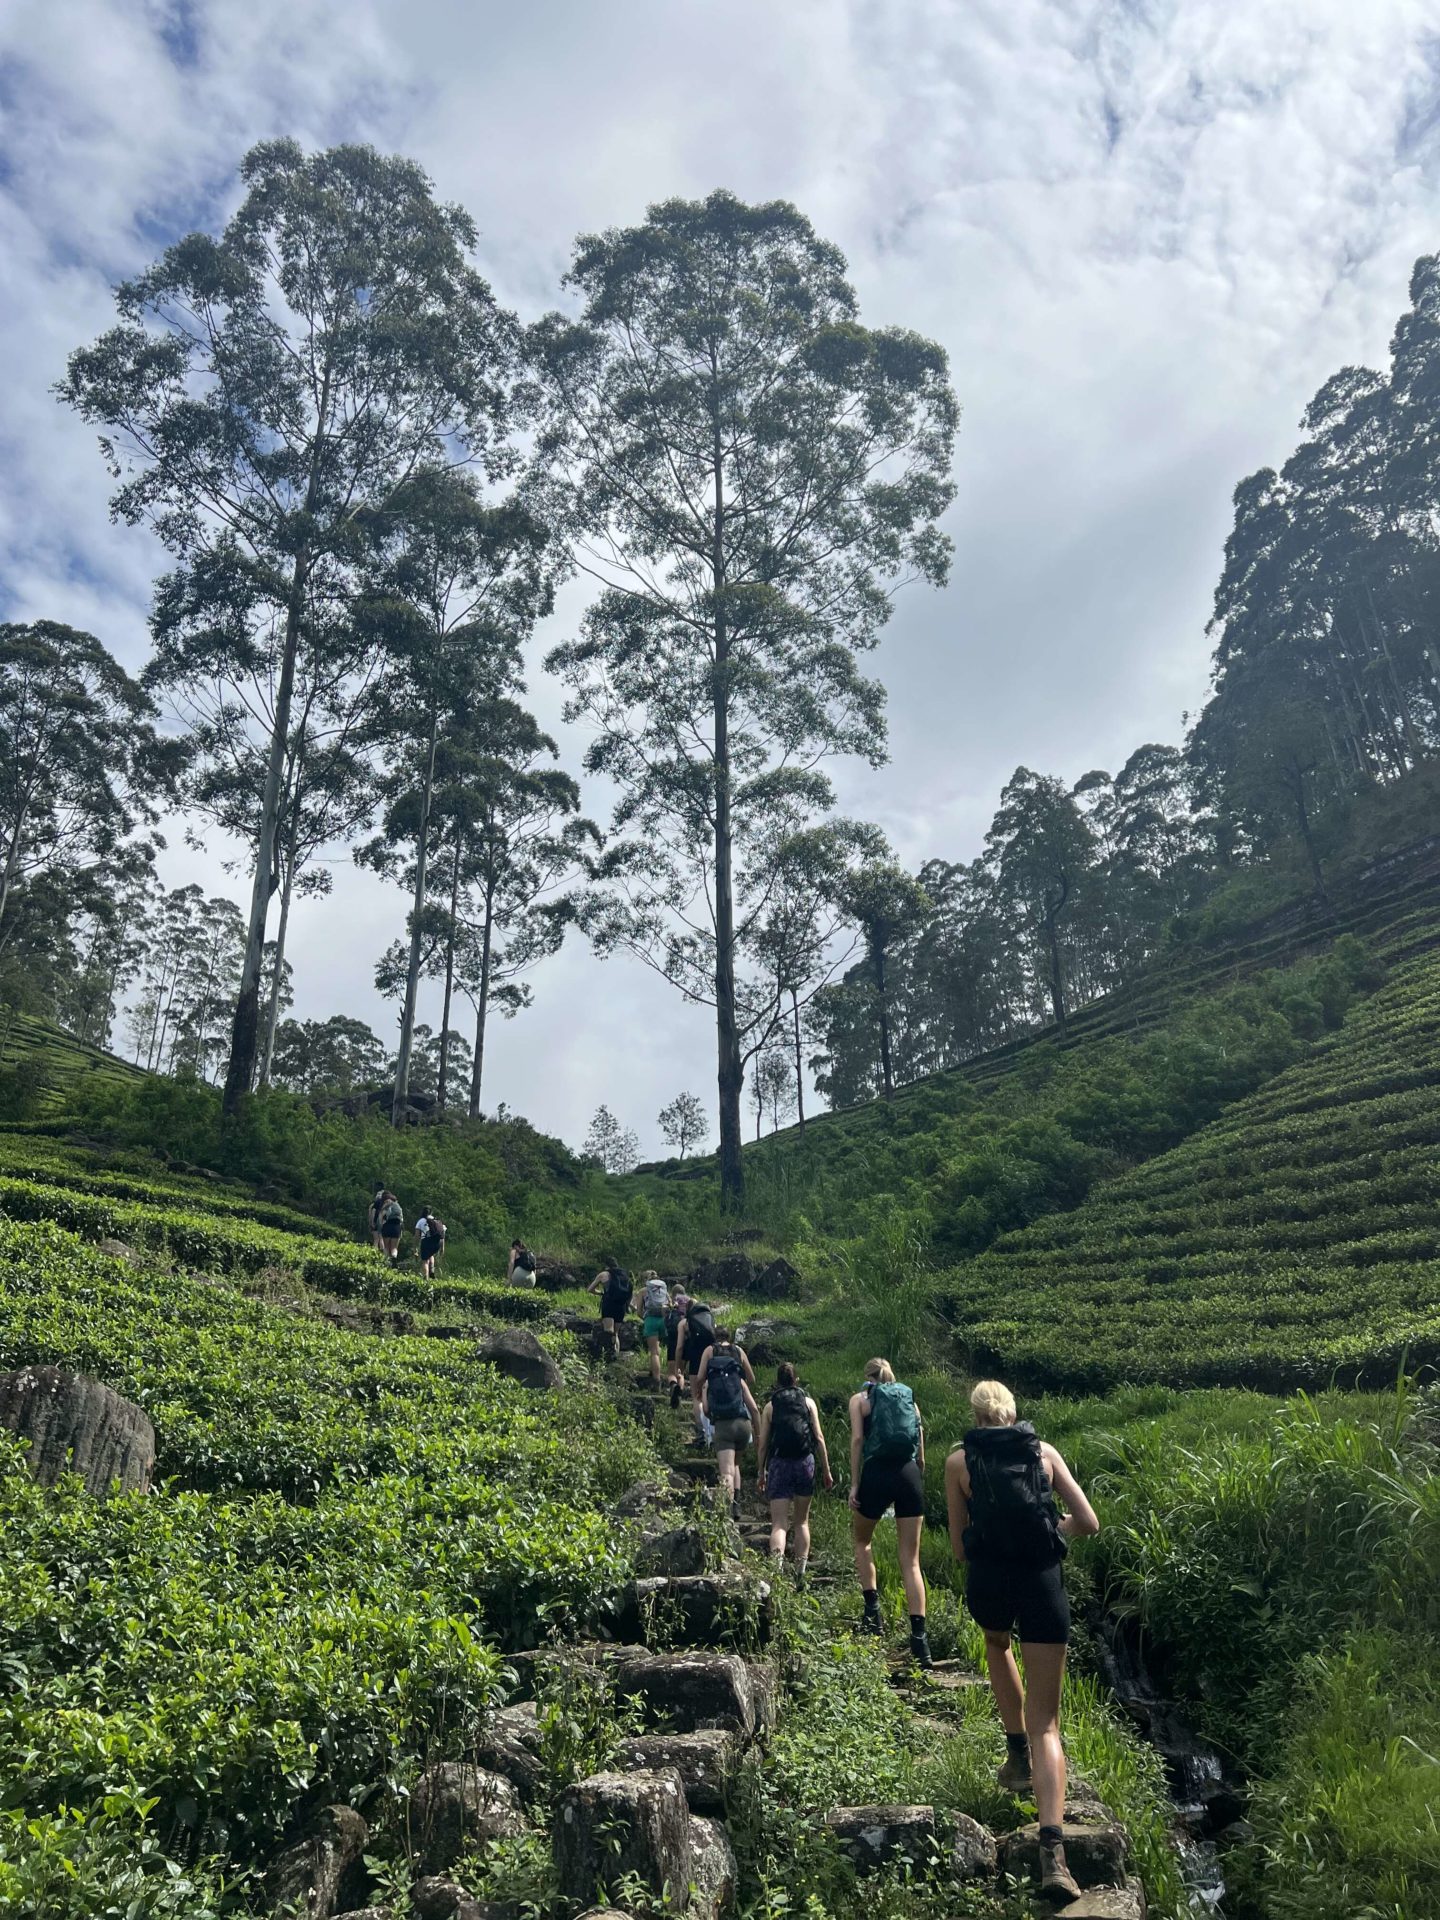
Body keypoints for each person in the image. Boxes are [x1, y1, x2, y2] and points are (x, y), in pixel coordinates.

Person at [945, 1379, 1100, 1906]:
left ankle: (1016, 1758)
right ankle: (1053, 1853)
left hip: (990, 1583)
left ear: (976, 1414)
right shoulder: (1045, 1454)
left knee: (996, 1645)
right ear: (1013, 1414)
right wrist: (1049, 1529)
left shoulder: (957, 1463)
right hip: (1042, 1582)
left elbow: (960, 1549)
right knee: (1049, 1723)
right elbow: (1088, 1522)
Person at [848, 1357, 932, 1668]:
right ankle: (920, 1642)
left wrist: (855, 1484)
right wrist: (918, 1467)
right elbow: (919, 1436)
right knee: (911, 1561)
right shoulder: (909, 1397)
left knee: (862, 1541)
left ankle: (873, 1615)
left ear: (867, 1376)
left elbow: (858, 1439)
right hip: (908, 1474)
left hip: (876, 1474)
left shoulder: (861, 1400)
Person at [756, 1362, 833, 1584]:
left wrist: (761, 1472)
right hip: (804, 1463)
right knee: (801, 1522)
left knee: (779, 1524)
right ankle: (800, 1572)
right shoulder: (808, 1403)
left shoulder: (770, 1406)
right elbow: (818, 1438)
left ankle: (776, 1573)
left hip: (779, 1464)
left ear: (777, 1383)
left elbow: (763, 1445)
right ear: (796, 1381)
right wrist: (826, 1470)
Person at [695, 1328, 761, 1520]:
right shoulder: (739, 1351)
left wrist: (704, 1390)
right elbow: (752, 1379)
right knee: (735, 1465)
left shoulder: (709, 1350)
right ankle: (737, 1505)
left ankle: (726, 1513)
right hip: (743, 1423)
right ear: (729, 1338)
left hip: (723, 1424)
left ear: (715, 1337)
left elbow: (700, 1377)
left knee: (726, 1472)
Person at [586, 1254, 632, 1361]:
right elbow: (629, 1292)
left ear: (606, 1265)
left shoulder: (604, 1274)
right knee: (616, 1333)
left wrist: (601, 1293)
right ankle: (617, 1354)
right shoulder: (624, 1276)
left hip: (609, 1304)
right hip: (621, 1306)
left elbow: (590, 1289)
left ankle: (608, 1357)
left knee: (608, 1331)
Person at [638, 1271, 670, 1390]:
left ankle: (656, 1380)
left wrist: (646, 1319)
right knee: (659, 1348)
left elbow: (638, 1312)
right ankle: (659, 1372)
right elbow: (670, 1304)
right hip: (663, 1320)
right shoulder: (664, 1290)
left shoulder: (643, 1291)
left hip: (651, 1320)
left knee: (654, 1352)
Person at [664, 1288, 690, 1405]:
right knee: (681, 1372)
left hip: (672, 1342)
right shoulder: (689, 1304)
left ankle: (673, 1385)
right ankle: (679, 1395)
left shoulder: (671, 1306)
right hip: (685, 1344)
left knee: (671, 1372)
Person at [417, 1208, 446, 1280]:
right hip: (437, 1242)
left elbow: (417, 1234)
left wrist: (415, 1246)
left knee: (425, 1261)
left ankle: (425, 1278)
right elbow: (442, 1236)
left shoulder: (421, 1221)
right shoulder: (437, 1221)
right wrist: (442, 1248)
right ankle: (432, 1271)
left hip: (426, 1241)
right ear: (431, 1213)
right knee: (431, 1255)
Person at [378, 1191, 404, 1265]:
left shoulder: (386, 1204)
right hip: (396, 1227)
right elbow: (401, 1220)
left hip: (387, 1226)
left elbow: (381, 1217)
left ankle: (386, 1263)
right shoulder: (398, 1206)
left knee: (386, 1247)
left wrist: (381, 1226)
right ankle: (394, 1258)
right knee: (394, 1248)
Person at [368, 1184, 387, 1251]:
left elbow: (371, 1214)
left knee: (376, 1239)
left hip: (375, 1222)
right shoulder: (386, 1204)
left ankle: (374, 1253)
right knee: (381, 1238)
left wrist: (371, 1223)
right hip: (383, 1223)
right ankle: (382, 1254)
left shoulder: (373, 1205)